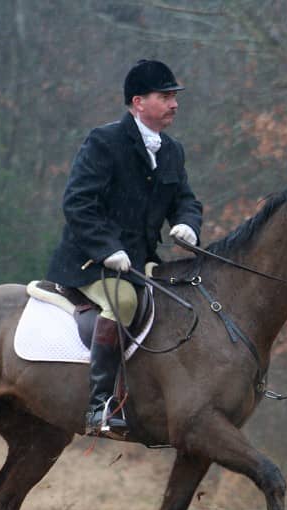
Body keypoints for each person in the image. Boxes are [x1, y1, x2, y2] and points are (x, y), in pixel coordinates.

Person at [46, 59, 203, 436]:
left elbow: (186, 200)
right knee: (125, 301)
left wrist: (186, 224)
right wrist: (106, 249)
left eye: (174, 97)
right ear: (138, 102)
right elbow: (78, 204)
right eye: (165, 96)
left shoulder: (172, 150)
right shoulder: (104, 142)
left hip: (139, 263)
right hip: (91, 262)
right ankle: (100, 405)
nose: (174, 104)